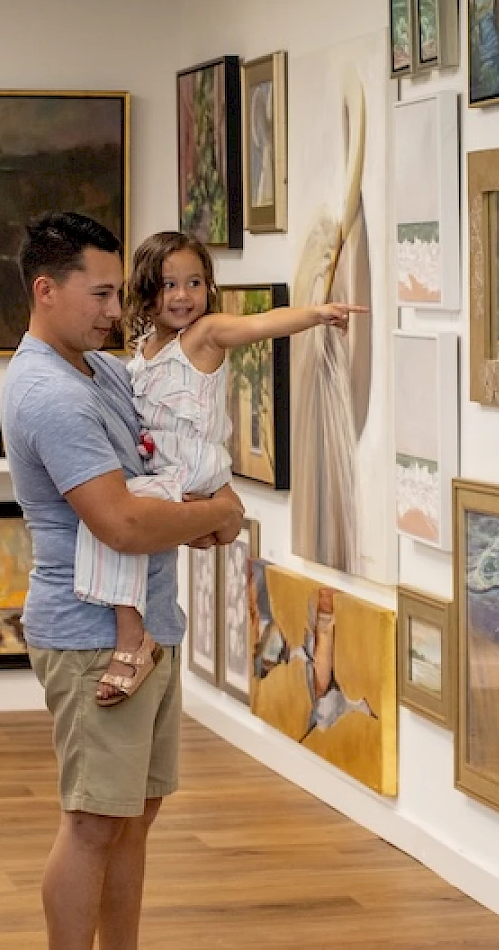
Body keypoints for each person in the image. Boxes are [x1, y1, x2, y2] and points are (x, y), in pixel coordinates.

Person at [1, 211, 243, 950]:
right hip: (93, 639)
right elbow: (124, 523)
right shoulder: (51, 394)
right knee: (94, 822)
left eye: (118, 293)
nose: (117, 311)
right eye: (101, 295)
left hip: (150, 622)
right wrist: (220, 511)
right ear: (47, 290)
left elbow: (163, 479)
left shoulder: (103, 371)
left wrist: (200, 508)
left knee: (134, 816)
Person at [76, 229, 362, 704]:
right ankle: (201, 530)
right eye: (169, 285)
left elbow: (261, 324)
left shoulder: (204, 336)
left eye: (194, 283)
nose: (183, 296)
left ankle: (131, 636)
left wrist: (317, 314)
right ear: (146, 289)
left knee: (114, 522)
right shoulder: (144, 349)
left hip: (191, 466)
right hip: (166, 470)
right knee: (125, 523)